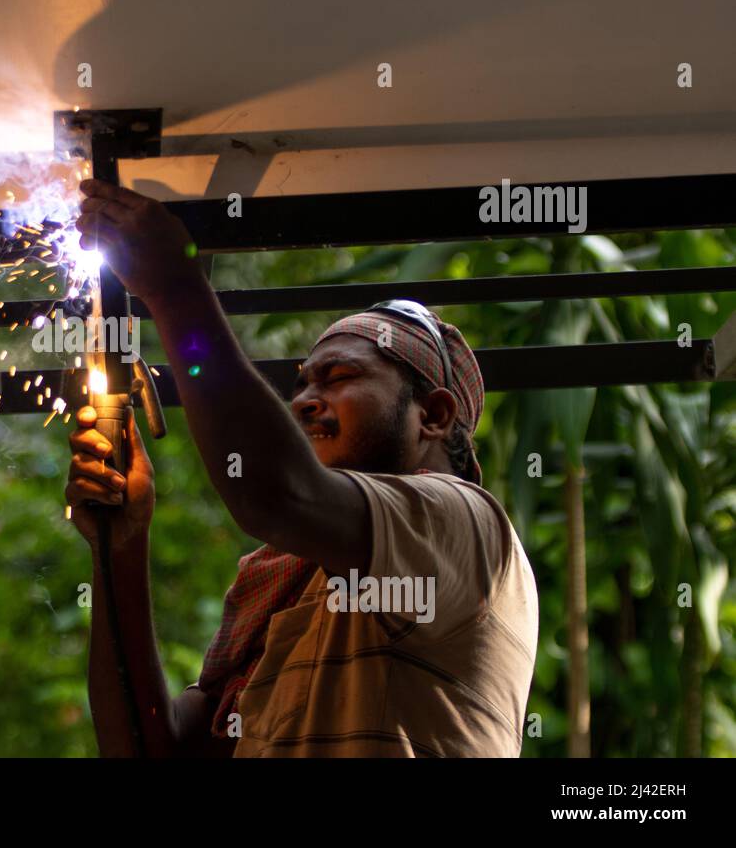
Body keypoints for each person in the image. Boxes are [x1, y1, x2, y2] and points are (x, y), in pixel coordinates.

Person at [65, 180, 538, 757]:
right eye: (301, 384)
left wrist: (174, 285)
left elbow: (275, 491)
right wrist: (121, 546)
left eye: (338, 379)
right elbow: (144, 752)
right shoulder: (279, 586)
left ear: (433, 416)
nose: (305, 401)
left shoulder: (464, 524)